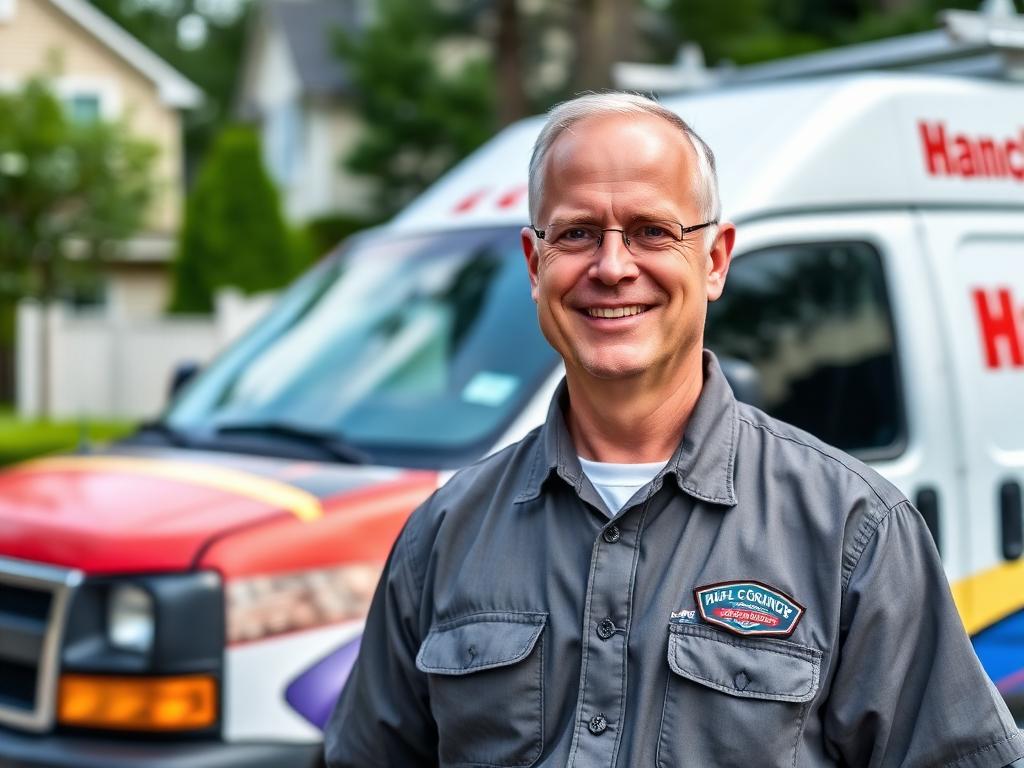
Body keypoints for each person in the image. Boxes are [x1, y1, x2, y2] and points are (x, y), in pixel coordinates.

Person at [325, 93, 1024, 767]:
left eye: (652, 231)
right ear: (536, 265)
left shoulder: (856, 529)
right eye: (576, 233)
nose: (612, 267)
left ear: (715, 260)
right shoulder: (443, 534)